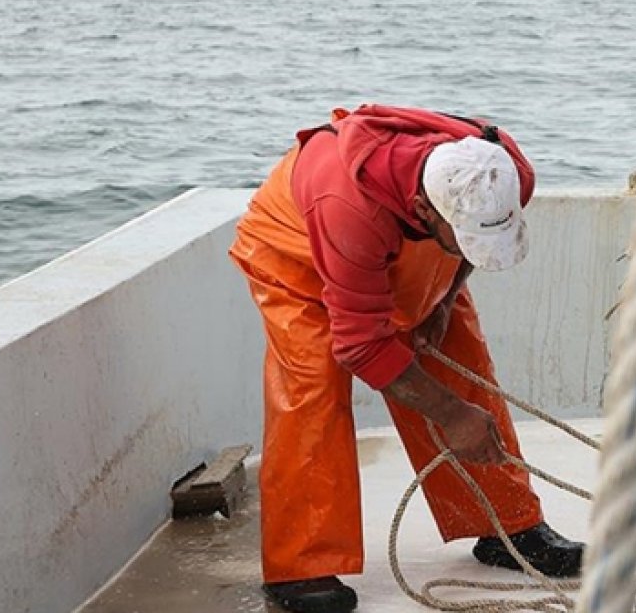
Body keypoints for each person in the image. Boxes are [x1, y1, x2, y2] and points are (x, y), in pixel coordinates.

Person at [229, 105, 583, 613]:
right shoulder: (346, 205)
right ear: (423, 209)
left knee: (461, 361)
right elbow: (360, 346)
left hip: (406, 246)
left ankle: (506, 528)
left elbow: (465, 248)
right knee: (313, 390)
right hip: (301, 253)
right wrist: (453, 417)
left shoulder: (501, 168)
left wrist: (441, 298)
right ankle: (300, 568)